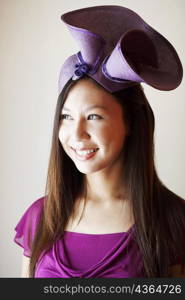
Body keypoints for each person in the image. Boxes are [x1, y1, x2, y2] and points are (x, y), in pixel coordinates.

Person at [14, 5, 185, 278]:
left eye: (93, 116)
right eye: (66, 117)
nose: (76, 133)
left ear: (130, 123)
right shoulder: (40, 216)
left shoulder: (173, 218)